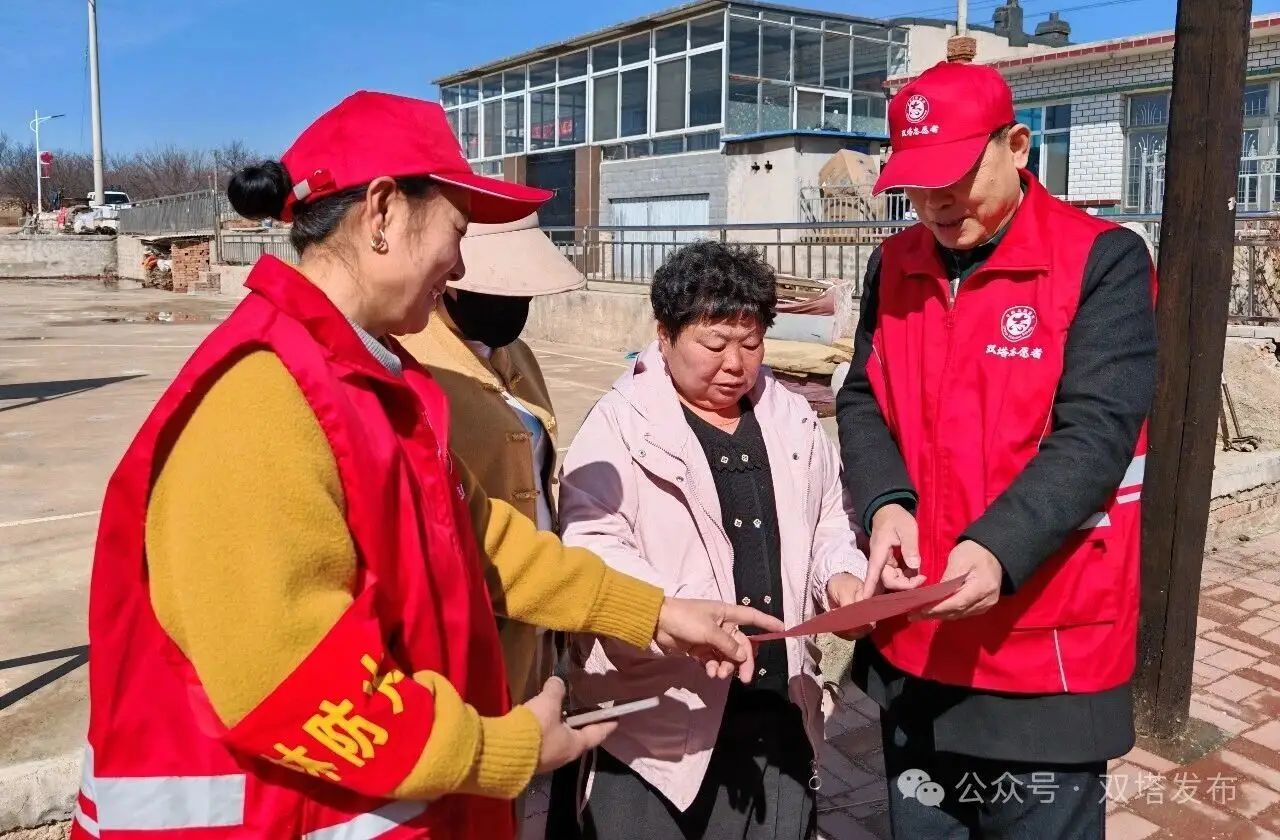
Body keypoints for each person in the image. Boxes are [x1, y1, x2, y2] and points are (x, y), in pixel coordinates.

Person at [71, 91, 781, 840]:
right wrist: (506, 749)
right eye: (457, 230)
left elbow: (491, 544)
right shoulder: (262, 400)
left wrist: (656, 613)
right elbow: (294, 686)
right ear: (382, 212)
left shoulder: (369, 382)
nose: (463, 264)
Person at [836, 61, 1157, 839]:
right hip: (918, 632)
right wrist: (887, 504)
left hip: (1040, 635)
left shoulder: (1100, 260)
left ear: (1016, 145)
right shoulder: (897, 264)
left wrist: (997, 547)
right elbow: (861, 398)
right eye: (916, 185)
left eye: (955, 177)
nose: (937, 204)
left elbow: (1098, 432)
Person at [546, 241, 870, 840]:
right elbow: (592, 542)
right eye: (714, 344)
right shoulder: (620, 424)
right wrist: (670, 613)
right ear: (664, 336)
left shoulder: (792, 417)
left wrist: (840, 578)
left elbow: (830, 519)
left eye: (751, 344)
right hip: (658, 725)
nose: (735, 364)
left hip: (777, 705)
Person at [397, 211, 584, 724]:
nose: (513, 305)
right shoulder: (411, 362)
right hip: (467, 617)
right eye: (501, 291)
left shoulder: (517, 355)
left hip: (536, 608)